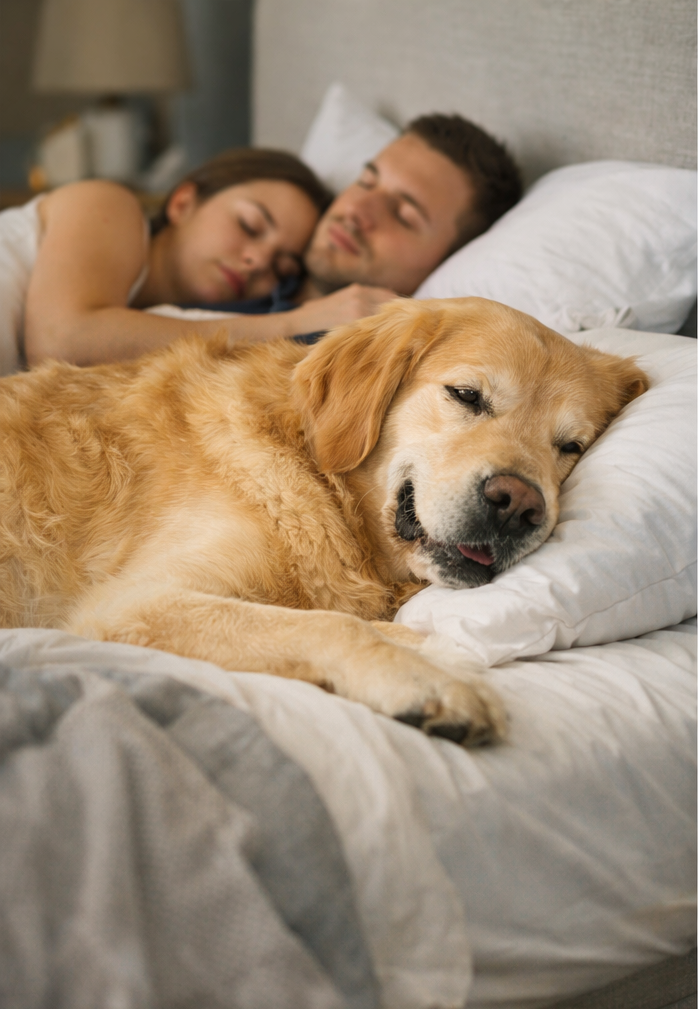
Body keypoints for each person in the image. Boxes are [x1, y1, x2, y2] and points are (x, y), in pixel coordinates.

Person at [0, 147, 396, 373]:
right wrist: (295, 322)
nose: (257, 260)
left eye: (281, 268)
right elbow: (60, 342)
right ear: (183, 202)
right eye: (250, 224)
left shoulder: (148, 322)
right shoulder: (110, 207)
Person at [193, 113, 523, 325]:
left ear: (448, 262)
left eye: (404, 216)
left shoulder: (342, 373)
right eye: (366, 181)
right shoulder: (246, 275)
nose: (358, 210)